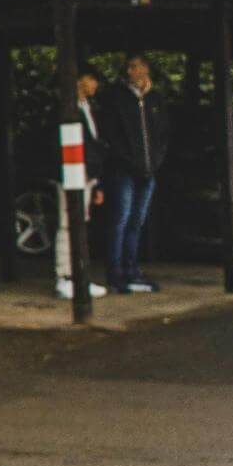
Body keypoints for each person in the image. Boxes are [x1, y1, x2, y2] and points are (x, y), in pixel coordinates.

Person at [99, 52, 169, 294]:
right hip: (125, 170)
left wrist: (155, 161)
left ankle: (131, 268)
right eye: (128, 67)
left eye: (135, 66)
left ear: (146, 69)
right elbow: (112, 136)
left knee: (136, 221)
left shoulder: (155, 99)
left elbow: (162, 135)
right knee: (121, 219)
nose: (131, 72)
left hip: (148, 170)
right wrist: (129, 161)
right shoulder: (117, 98)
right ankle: (115, 271)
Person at [54, 66, 110, 301]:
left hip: (87, 176)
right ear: (80, 81)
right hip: (72, 174)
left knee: (80, 224)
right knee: (68, 224)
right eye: (92, 80)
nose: (95, 86)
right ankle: (64, 277)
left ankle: (78, 274)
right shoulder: (65, 108)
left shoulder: (88, 108)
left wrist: (97, 181)